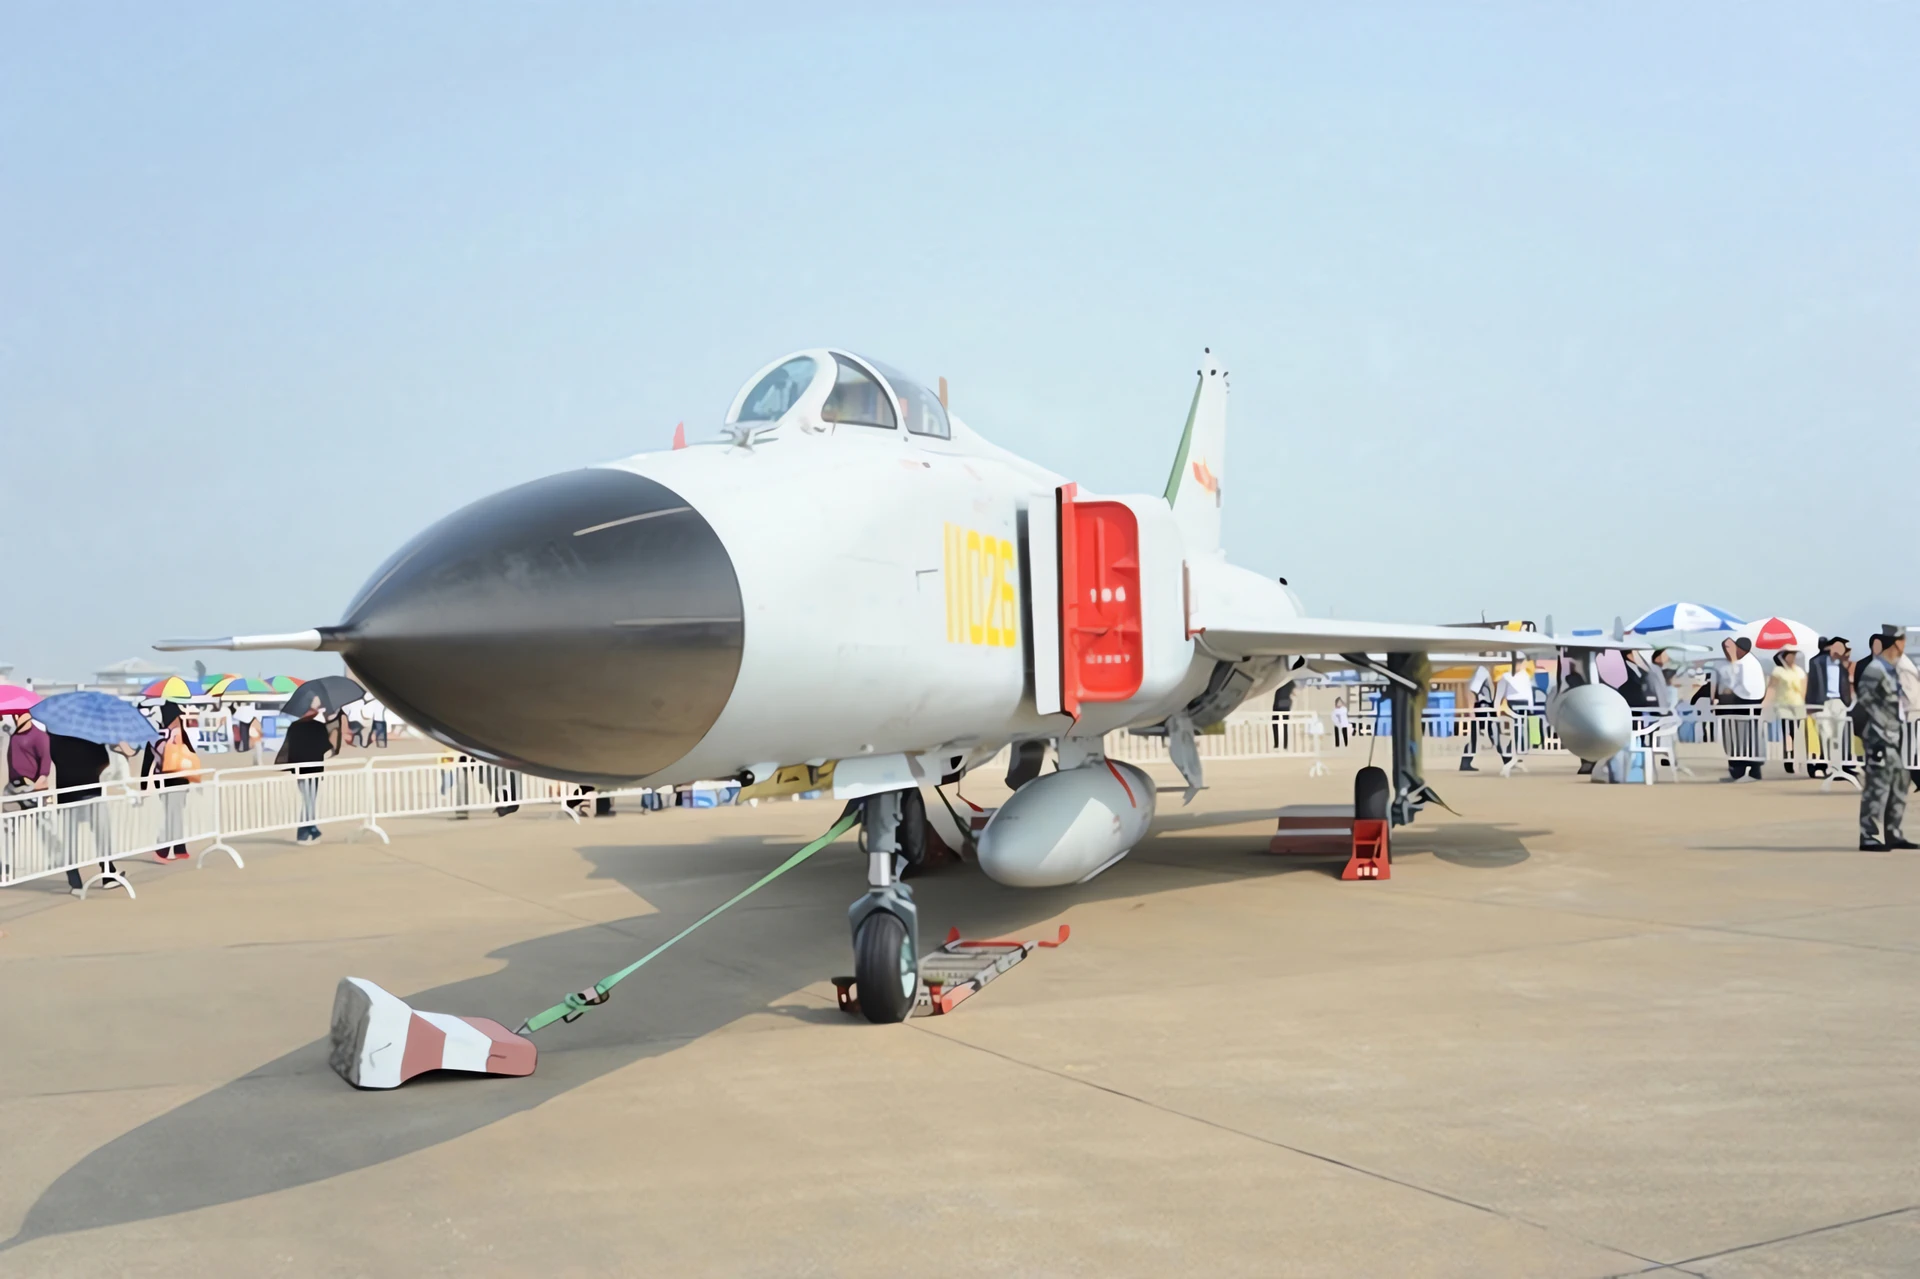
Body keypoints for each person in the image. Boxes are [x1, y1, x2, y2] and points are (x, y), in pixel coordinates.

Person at [1853, 628, 1913, 851]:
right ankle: (1868, 835)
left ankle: (1893, 833)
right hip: (1879, 737)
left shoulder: (1892, 669)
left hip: (1894, 736)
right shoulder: (1875, 669)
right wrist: (1882, 728)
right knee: (1876, 787)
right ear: (1896, 643)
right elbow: (1865, 702)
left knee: (1899, 782)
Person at [49, 733, 121, 894]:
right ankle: (108, 874)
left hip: (67, 794)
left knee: (70, 840)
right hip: (91, 791)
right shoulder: (92, 736)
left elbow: (55, 758)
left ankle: (76, 882)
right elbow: (104, 761)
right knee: (102, 834)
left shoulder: (56, 738)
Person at [1701, 636, 1767, 781]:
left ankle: (1753, 770)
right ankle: (1736, 770)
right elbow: (1715, 682)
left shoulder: (1749, 663)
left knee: (1748, 736)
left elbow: (1749, 686)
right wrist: (1714, 699)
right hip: (1728, 705)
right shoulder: (1720, 664)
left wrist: (1730, 690)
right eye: (1725, 647)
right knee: (1731, 736)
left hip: (1747, 703)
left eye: (1730, 647)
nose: (1727, 650)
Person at [141, 703, 195, 860]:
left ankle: (179, 848)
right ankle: (164, 849)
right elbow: (147, 761)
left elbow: (191, 753)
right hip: (167, 779)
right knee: (173, 813)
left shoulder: (179, 734)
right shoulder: (158, 737)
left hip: (179, 778)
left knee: (175, 812)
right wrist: (144, 785)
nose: (179, 719)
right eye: (176, 717)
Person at [4, 709, 52, 880]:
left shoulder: (39, 736)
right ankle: (5, 866)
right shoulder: (13, 735)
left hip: (34, 789)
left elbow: (45, 764)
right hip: (13, 789)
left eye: (16, 714)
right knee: (7, 830)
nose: (14, 718)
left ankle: (59, 862)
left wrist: (38, 784)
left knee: (46, 829)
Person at [277, 705, 335, 842]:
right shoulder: (319, 727)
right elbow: (325, 746)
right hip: (314, 767)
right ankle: (309, 829)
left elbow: (289, 747)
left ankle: (307, 830)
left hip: (300, 767)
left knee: (308, 799)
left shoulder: (294, 726)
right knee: (310, 799)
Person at [1806, 636, 1853, 779]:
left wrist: (1848, 701)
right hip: (1824, 702)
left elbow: (1847, 682)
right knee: (1825, 734)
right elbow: (1812, 684)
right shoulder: (1816, 662)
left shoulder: (1843, 663)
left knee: (1839, 735)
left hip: (1840, 701)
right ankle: (1825, 765)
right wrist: (1810, 705)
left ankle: (1839, 766)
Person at [1762, 649, 1807, 775]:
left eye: (1794, 656)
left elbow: (1804, 688)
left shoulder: (1799, 671)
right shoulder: (1778, 671)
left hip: (1798, 705)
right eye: (1790, 656)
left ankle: (1795, 758)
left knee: (1796, 734)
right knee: (1788, 733)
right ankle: (1788, 759)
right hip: (1783, 705)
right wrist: (1766, 702)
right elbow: (1772, 687)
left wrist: (1805, 702)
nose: (1792, 658)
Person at [1495, 660, 1534, 762]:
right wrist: (1496, 708)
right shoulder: (1506, 676)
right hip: (1513, 703)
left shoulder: (1525, 676)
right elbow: (1499, 694)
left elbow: (1528, 693)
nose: (1518, 665)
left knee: (1523, 729)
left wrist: (1531, 707)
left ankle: (1515, 752)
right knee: (1517, 729)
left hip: (1525, 704)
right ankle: (1512, 753)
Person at [1461, 665, 1494, 771]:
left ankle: (1466, 762)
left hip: (1483, 706)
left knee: (1489, 734)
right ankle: (1509, 758)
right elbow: (1472, 691)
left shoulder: (1482, 671)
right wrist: (1471, 711)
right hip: (1482, 707)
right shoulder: (1482, 671)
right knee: (1494, 733)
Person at [1270, 682, 1293, 751]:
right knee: (1281, 724)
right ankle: (1281, 745)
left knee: (1279, 724)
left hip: (1281, 701)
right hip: (1282, 701)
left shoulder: (1286, 682)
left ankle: (1279, 745)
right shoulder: (1289, 682)